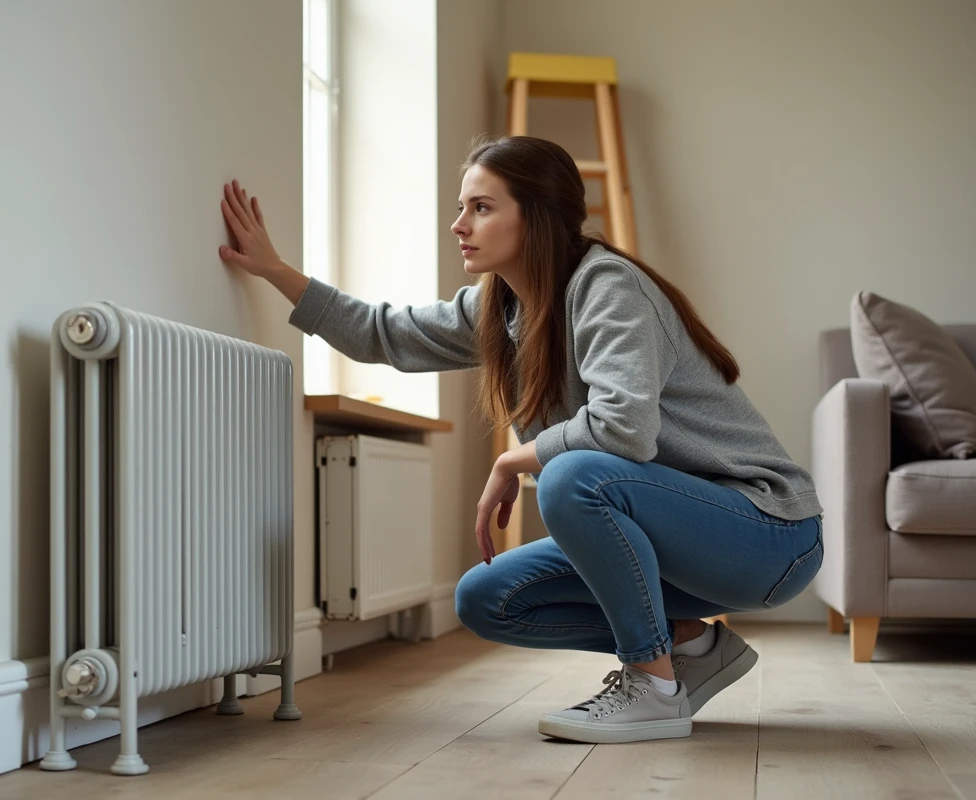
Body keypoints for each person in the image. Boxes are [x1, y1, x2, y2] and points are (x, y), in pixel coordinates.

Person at [217, 135, 823, 745]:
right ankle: (694, 644)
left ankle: (652, 684)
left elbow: (622, 429)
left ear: (534, 216)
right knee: (487, 597)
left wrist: (513, 459)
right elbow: (385, 335)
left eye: (481, 207)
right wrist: (274, 269)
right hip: (682, 545)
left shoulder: (607, 287)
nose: (459, 224)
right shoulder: (500, 309)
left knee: (569, 475)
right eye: (462, 207)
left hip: (768, 535)